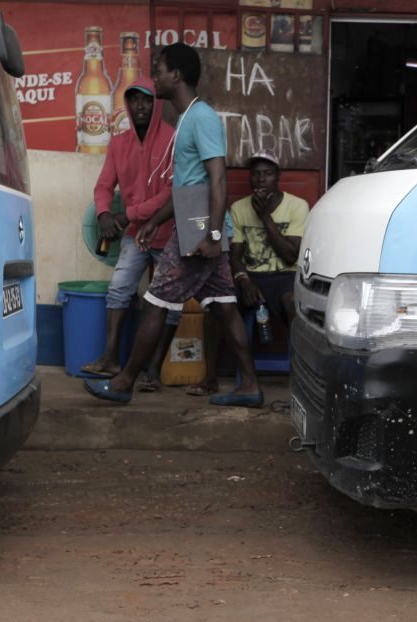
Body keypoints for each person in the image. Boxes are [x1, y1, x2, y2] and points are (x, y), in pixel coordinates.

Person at [83, 43, 262, 407]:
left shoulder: (202, 118)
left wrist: (211, 235)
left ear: (176, 75)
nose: (155, 77)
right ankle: (251, 387)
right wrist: (156, 220)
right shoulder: (187, 119)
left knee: (155, 303)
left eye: (160, 70)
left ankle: (123, 382)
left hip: (199, 228)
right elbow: (187, 184)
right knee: (225, 306)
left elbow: (218, 180)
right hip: (195, 219)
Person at [185, 149, 309, 397]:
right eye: (256, 175)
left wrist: (265, 217)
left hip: (284, 276)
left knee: (292, 303)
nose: (261, 179)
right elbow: (234, 254)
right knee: (216, 306)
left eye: (268, 174)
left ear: (278, 177)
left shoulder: (297, 206)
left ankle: (303, 380)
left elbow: (290, 255)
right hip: (250, 277)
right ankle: (210, 378)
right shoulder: (239, 208)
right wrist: (243, 280)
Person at [81, 78, 178, 392]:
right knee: (119, 289)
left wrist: (127, 215)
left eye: (147, 100)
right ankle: (110, 359)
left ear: (157, 104)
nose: (140, 106)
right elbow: (103, 186)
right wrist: (104, 214)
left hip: (168, 233)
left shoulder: (172, 139)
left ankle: (154, 370)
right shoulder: (119, 143)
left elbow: (169, 195)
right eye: (134, 99)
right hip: (135, 235)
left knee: (166, 302)